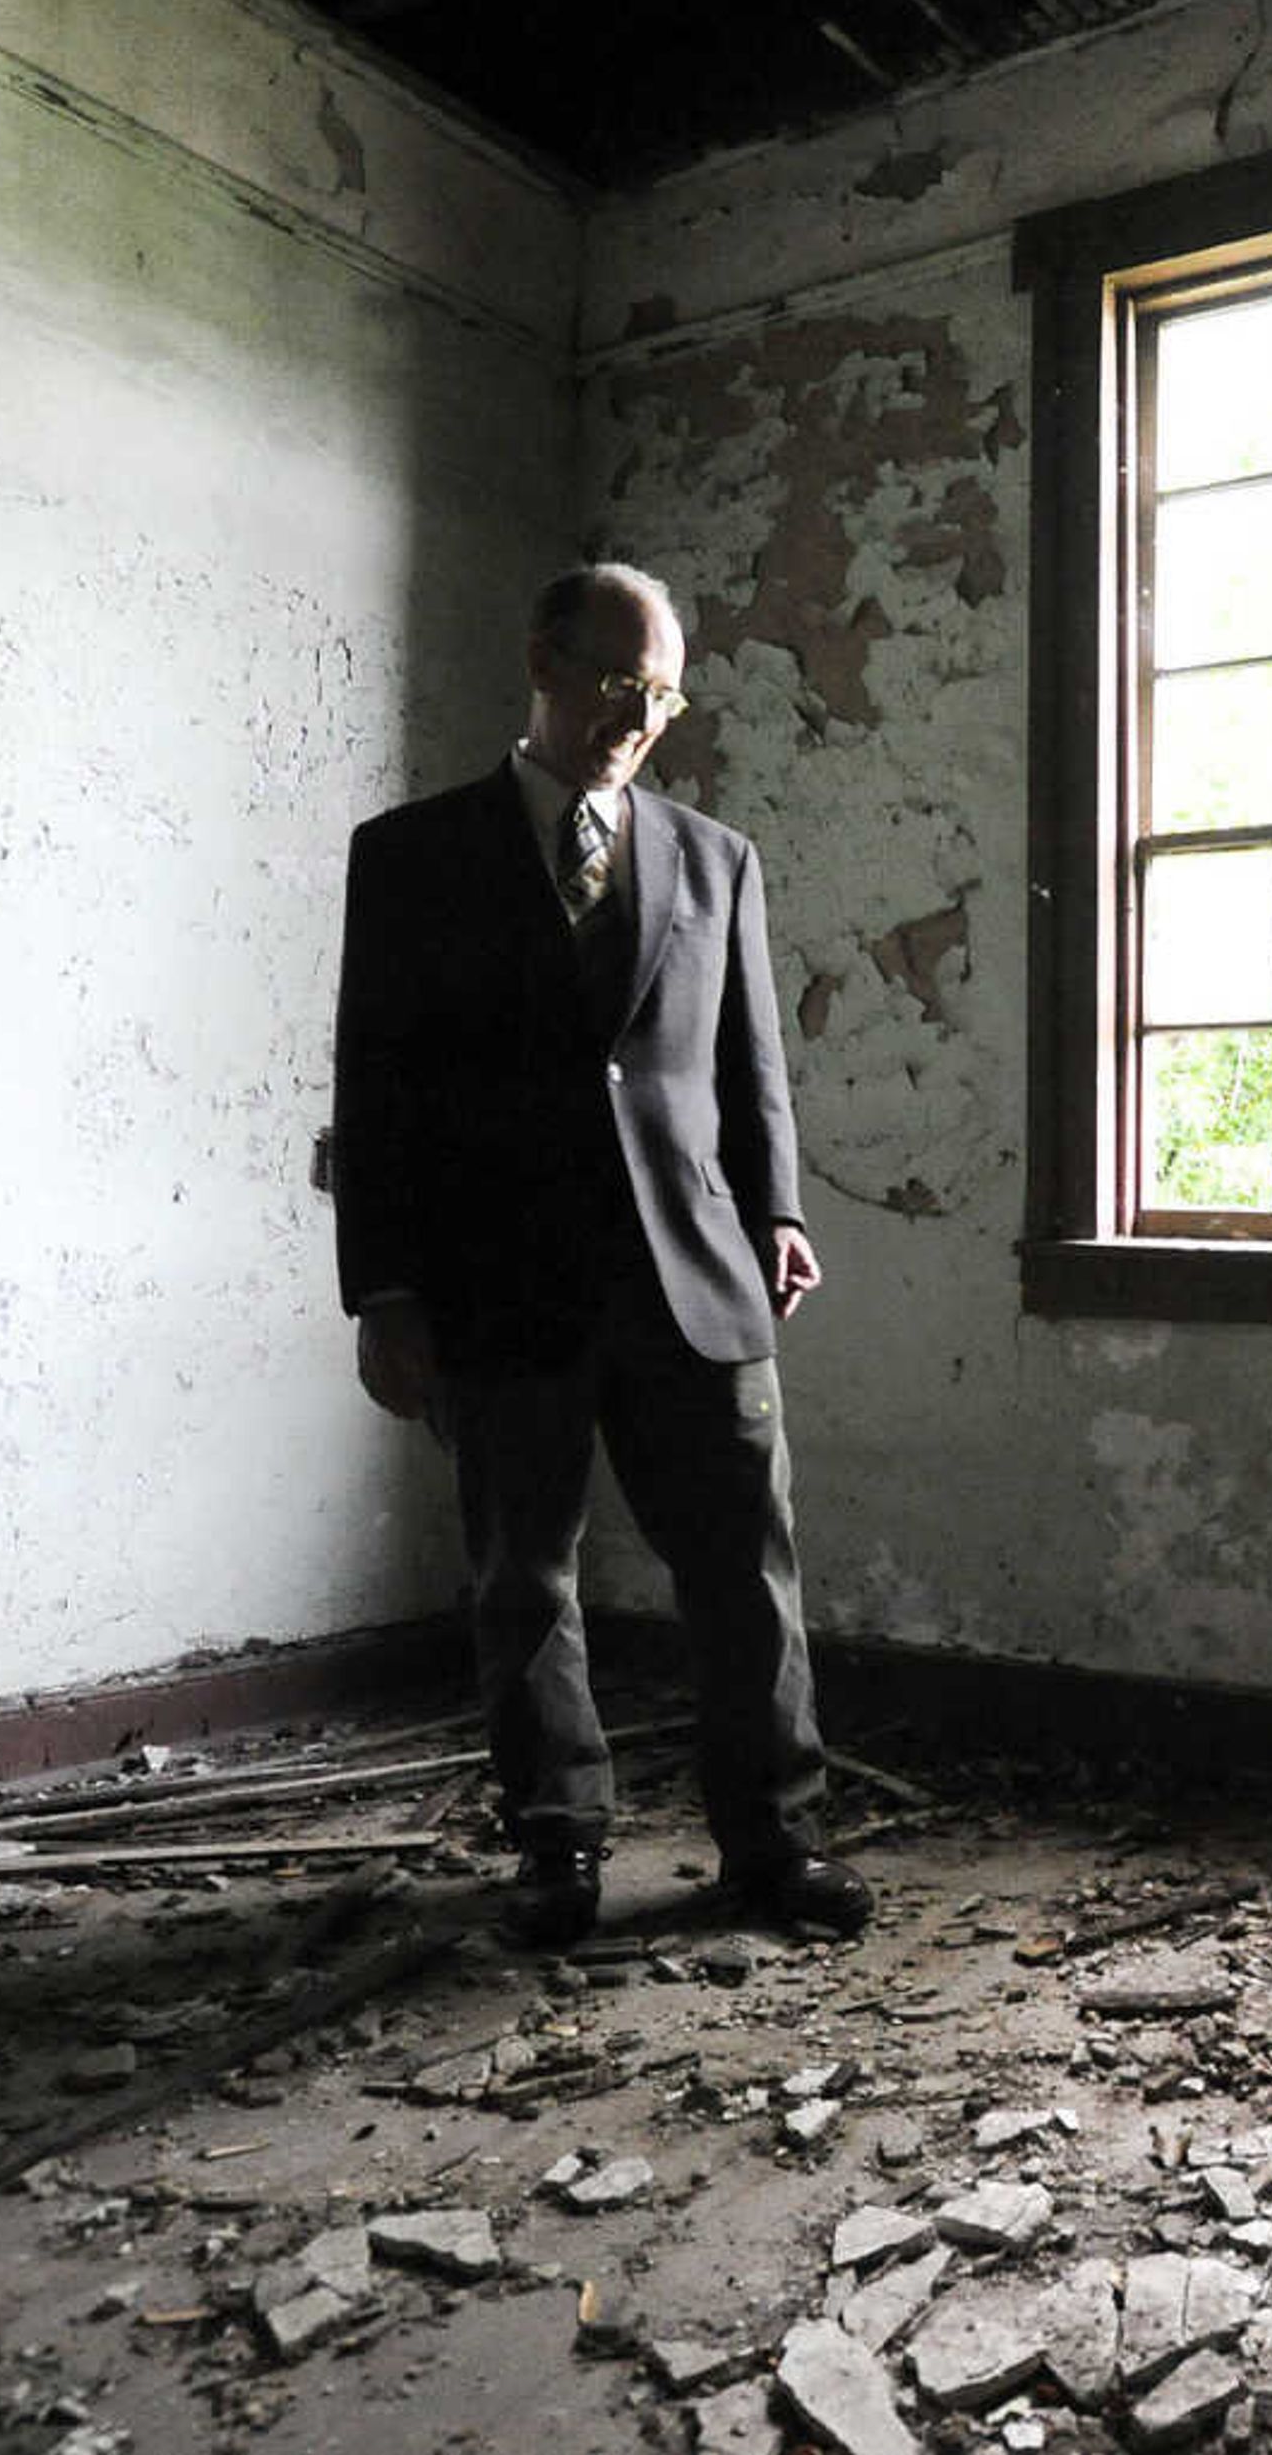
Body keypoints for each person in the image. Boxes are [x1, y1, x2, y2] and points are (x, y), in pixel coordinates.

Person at [332, 561, 867, 1946]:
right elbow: (375, 1089)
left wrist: (782, 1215)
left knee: (746, 1573)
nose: (641, 718)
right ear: (545, 663)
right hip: (500, 1284)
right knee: (525, 1578)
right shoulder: (410, 857)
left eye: (666, 696)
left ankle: (775, 1844)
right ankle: (557, 1845)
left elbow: (752, 1067)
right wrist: (385, 1293)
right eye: (622, 686)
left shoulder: (715, 859)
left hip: (695, 1272)